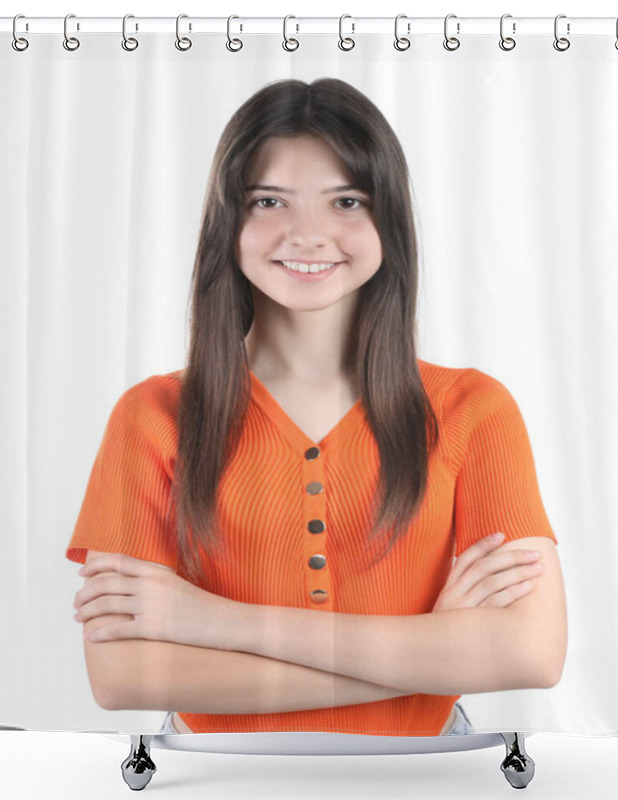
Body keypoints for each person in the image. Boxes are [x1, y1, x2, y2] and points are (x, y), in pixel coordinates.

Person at [66, 78, 567, 737]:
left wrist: (207, 621)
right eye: (270, 200)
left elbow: (532, 653)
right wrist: (431, 652)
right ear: (230, 222)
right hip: (215, 783)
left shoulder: (475, 410)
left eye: (347, 201)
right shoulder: (149, 417)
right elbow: (122, 677)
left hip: (420, 780)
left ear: (388, 222)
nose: (307, 235)